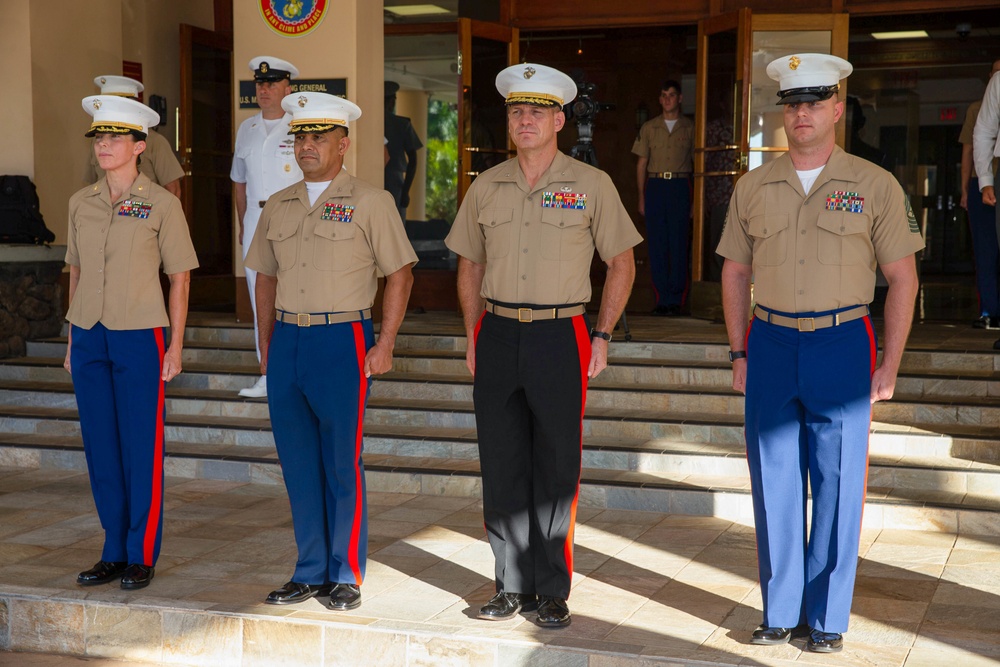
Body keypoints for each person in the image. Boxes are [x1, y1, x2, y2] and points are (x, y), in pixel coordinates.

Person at [717, 53, 923, 654]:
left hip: (841, 341)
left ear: (837, 109)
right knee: (773, 477)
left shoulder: (874, 184)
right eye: (792, 103)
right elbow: (734, 273)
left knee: (837, 481)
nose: (801, 113)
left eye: (813, 103)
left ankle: (828, 616)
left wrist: (890, 362)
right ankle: (780, 612)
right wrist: (738, 352)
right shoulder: (753, 186)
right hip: (771, 341)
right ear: (783, 113)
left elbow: (903, 279)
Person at [445, 63, 641, 628]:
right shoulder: (487, 184)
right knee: (501, 461)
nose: (524, 120)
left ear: (559, 119)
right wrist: (472, 332)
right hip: (499, 331)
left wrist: (601, 333)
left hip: (562, 332)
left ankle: (551, 588)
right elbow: (470, 264)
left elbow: (621, 262)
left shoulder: (591, 184)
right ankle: (509, 585)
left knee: (557, 464)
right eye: (515, 111)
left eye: (536, 111)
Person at [245, 92, 417, 611]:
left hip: (342, 338)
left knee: (342, 461)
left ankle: (346, 572)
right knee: (297, 462)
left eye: (319, 136)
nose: (307, 145)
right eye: (301, 136)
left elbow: (400, 273)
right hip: (289, 341)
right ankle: (309, 568)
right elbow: (264, 278)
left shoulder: (371, 201)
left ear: (344, 143)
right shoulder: (278, 203)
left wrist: (384, 341)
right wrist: (267, 344)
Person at [67, 94, 198, 590]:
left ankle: (141, 553)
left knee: (140, 446)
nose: (104, 145)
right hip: (89, 336)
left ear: (140, 145)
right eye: (99, 137)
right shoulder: (82, 201)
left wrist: (176, 346)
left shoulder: (163, 204)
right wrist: (71, 338)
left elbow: (180, 278)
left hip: (140, 336)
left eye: (115, 137)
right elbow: (75, 269)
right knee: (100, 446)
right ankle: (113, 549)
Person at [231, 56, 303, 398]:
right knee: (259, 297)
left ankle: (298, 371)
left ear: (287, 89)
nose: (264, 90)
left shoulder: (301, 125)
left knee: (295, 294)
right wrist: (243, 225)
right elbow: (239, 182)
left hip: (292, 220)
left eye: (272, 84)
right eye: (260, 84)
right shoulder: (247, 128)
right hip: (255, 220)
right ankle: (268, 373)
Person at [632, 79, 694, 315]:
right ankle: (662, 299)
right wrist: (641, 196)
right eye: (663, 95)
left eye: (671, 95)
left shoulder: (690, 127)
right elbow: (641, 164)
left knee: (679, 244)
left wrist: (695, 202)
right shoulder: (649, 127)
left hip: (680, 185)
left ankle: (677, 300)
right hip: (655, 185)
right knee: (658, 245)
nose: (667, 99)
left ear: (679, 98)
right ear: (659, 100)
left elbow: (698, 166)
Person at [86, 76, 184, 198]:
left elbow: (173, 190)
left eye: (113, 104)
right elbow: (92, 184)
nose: (103, 143)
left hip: (142, 211)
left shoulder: (156, 142)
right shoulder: (97, 142)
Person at [965, 59, 1000, 329]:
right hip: (993, 179)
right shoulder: (997, 85)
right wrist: (981, 182)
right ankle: (992, 310)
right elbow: (981, 135)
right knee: (991, 250)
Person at [384, 81, 423, 223]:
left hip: (369, 178)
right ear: (391, 102)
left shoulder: (366, 122)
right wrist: (406, 190)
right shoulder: (402, 124)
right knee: (397, 227)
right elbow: (413, 159)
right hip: (395, 182)